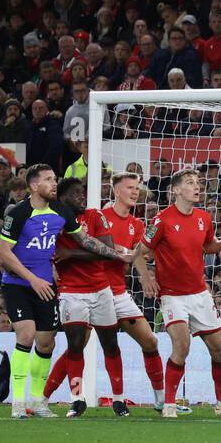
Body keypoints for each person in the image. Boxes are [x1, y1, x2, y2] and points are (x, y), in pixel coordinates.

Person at [0, 164, 122, 419]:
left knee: (46, 342)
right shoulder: (18, 213)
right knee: (27, 335)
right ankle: (17, 402)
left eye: (55, 179)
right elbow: (3, 254)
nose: (54, 183)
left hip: (46, 286)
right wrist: (32, 280)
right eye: (48, 180)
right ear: (33, 186)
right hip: (19, 284)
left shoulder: (62, 211)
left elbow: (84, 240)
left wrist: (116, 255)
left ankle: (37, 401)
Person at [143, 169, 221, 418]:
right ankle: (168, 404)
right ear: (176, 190)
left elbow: (207, 246)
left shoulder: (204, 217)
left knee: (220, 350)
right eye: (190, 183)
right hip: (172, 296)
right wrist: (146, 276)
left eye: (198, 182)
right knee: (182, 345)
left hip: (200, 294)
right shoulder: (161, 220)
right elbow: (141, 251)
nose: (197, 186)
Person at [42, 177, 132, 417]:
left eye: (83, 192)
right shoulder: (54, 221)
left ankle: (119, 399)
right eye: (76, 193)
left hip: (101, 289)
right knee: (75, 344)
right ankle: (77, 399)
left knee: (110, 344)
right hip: (71, 291)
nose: (82, 196)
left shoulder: (95, 216)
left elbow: (106, 250)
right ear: (62, 199)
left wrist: (70, 253)